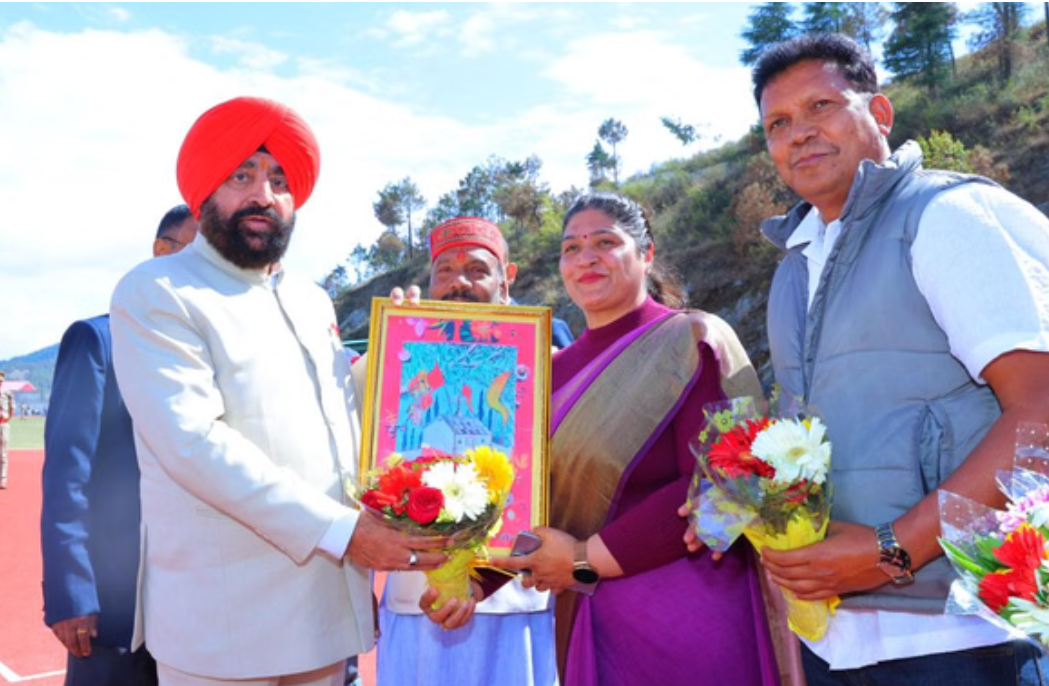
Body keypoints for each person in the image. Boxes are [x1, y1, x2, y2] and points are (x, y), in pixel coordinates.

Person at [108, 96, 449, 686]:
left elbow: (337, 411)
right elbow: (193, 443)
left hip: (323, 610)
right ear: (205, 190)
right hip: (222, 625)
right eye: (241, 176)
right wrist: (346, 533)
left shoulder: (310, 299)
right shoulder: (158, 291)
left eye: (280, 180)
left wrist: (402, 350)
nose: (263, 195)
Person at [748, 34, 1049, 685]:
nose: (800, 133)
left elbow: (1041, 411)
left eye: (822, 105)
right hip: (839, 641)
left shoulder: (947, 216)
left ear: (879, 113)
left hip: (968, 632)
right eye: (778, 123)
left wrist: (893, 549)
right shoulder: (794, 266)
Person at [443, 192, 779, 686]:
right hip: (586, 613)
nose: (586, 258)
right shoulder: (544, 370)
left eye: (605, 242)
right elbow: (531, 499)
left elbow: (717, 489)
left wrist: (583, 558)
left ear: (646, 254)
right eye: (571, 248)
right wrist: (474, 583)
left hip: (689, 613)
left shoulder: (691, 341)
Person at [374, 216, 558, 686]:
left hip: (513, 597)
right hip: (418, 596)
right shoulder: (398, 352)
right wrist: (392, 336)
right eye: (446, 270)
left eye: (477, 270)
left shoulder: (547, 364)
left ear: (506, 279)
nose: (460, 282)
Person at [41, 204, 198, 686]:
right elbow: (67, 474)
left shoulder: (204, 353)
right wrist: (72, 592)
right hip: (114, 605)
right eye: (198, 253)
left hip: (194, 602)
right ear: (162, 251)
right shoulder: (98, 340)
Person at [0, 370, 13, 489]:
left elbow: (11, 407)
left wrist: (7, 418)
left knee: (3, 453)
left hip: (3, 424)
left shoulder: (7, 392)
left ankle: (3, 479)